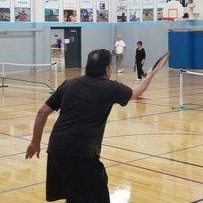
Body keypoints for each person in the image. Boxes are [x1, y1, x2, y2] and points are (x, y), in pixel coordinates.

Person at [25, 49, 159, 202]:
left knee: (74, 196)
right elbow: (137, 92)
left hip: (57, 150)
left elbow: (42, 112)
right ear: (107, 69)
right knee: (97, 197)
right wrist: (149, 76)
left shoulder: (69, 84)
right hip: (83, 153)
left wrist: (35, 142)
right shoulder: (111, 87)